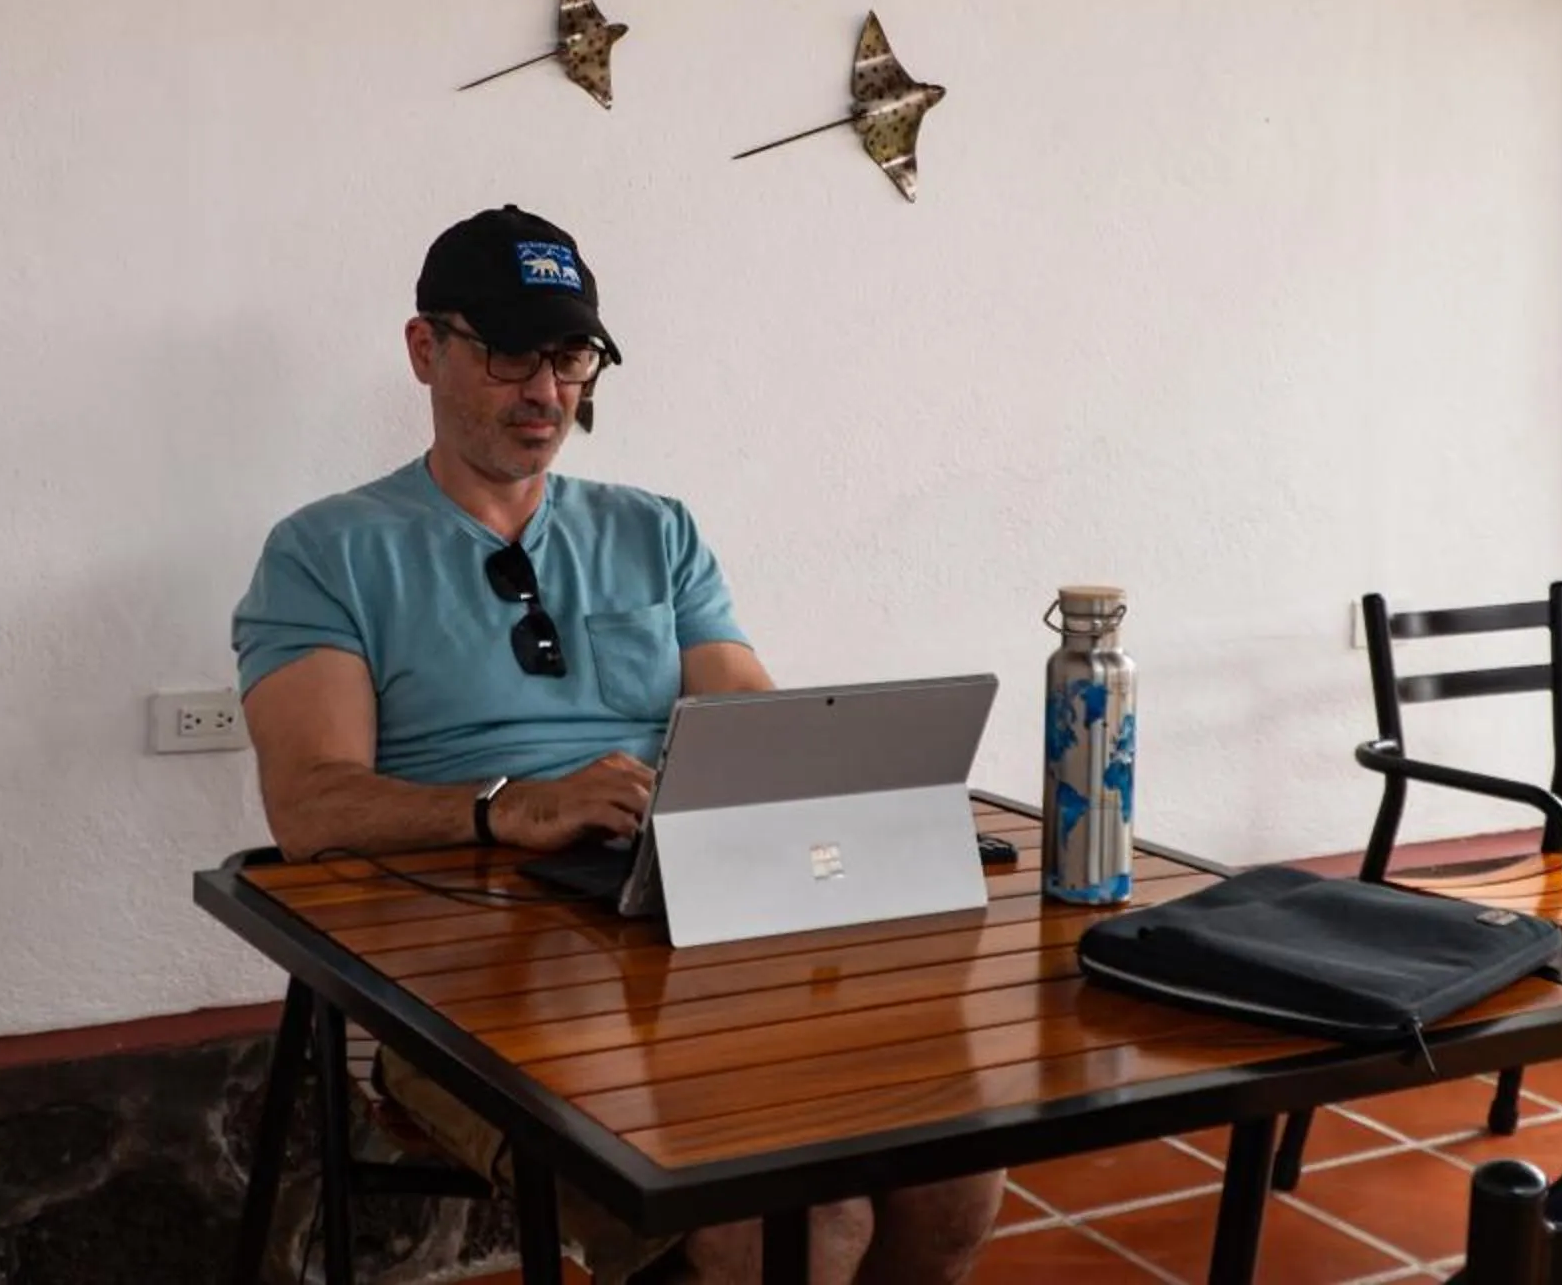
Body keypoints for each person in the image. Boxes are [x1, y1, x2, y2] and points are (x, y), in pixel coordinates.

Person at [232, 205, 1001, 1285]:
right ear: (424, 349)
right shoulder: (326, 551)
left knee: (957, 1178)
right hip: (452, 981)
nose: (546, 391)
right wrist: (507, 806)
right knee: (805, 1225)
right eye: (509, 353)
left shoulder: (656, 530)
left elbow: (756, 728)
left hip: (682, 933)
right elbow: (311, 808)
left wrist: (858, 786)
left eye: (571, 356)